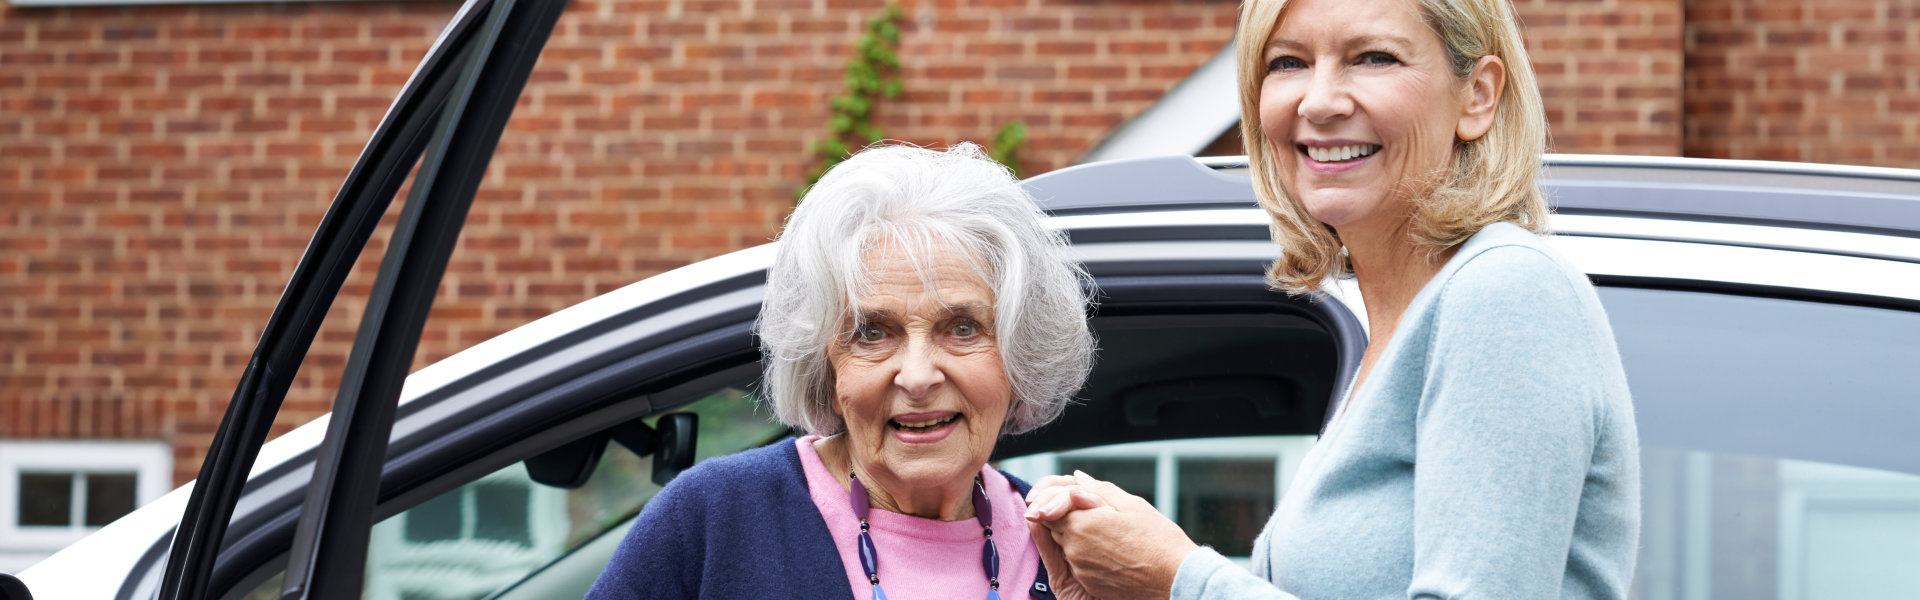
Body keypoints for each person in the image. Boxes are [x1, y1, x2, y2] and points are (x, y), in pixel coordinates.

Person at [1023, 0, 1640, 598]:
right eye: (1288, 62)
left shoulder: (1505, 293)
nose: (1319, 101)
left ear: (1477, 96)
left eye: (1373, 58)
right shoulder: (1396, 334)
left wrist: (1179, 578)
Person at [587, 143, 1095, 599]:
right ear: (825, 367)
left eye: (962, 328)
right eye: (872, 332)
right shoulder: (716, 518)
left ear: (1019, 354)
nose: (917, 378)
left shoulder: (1071, 556)